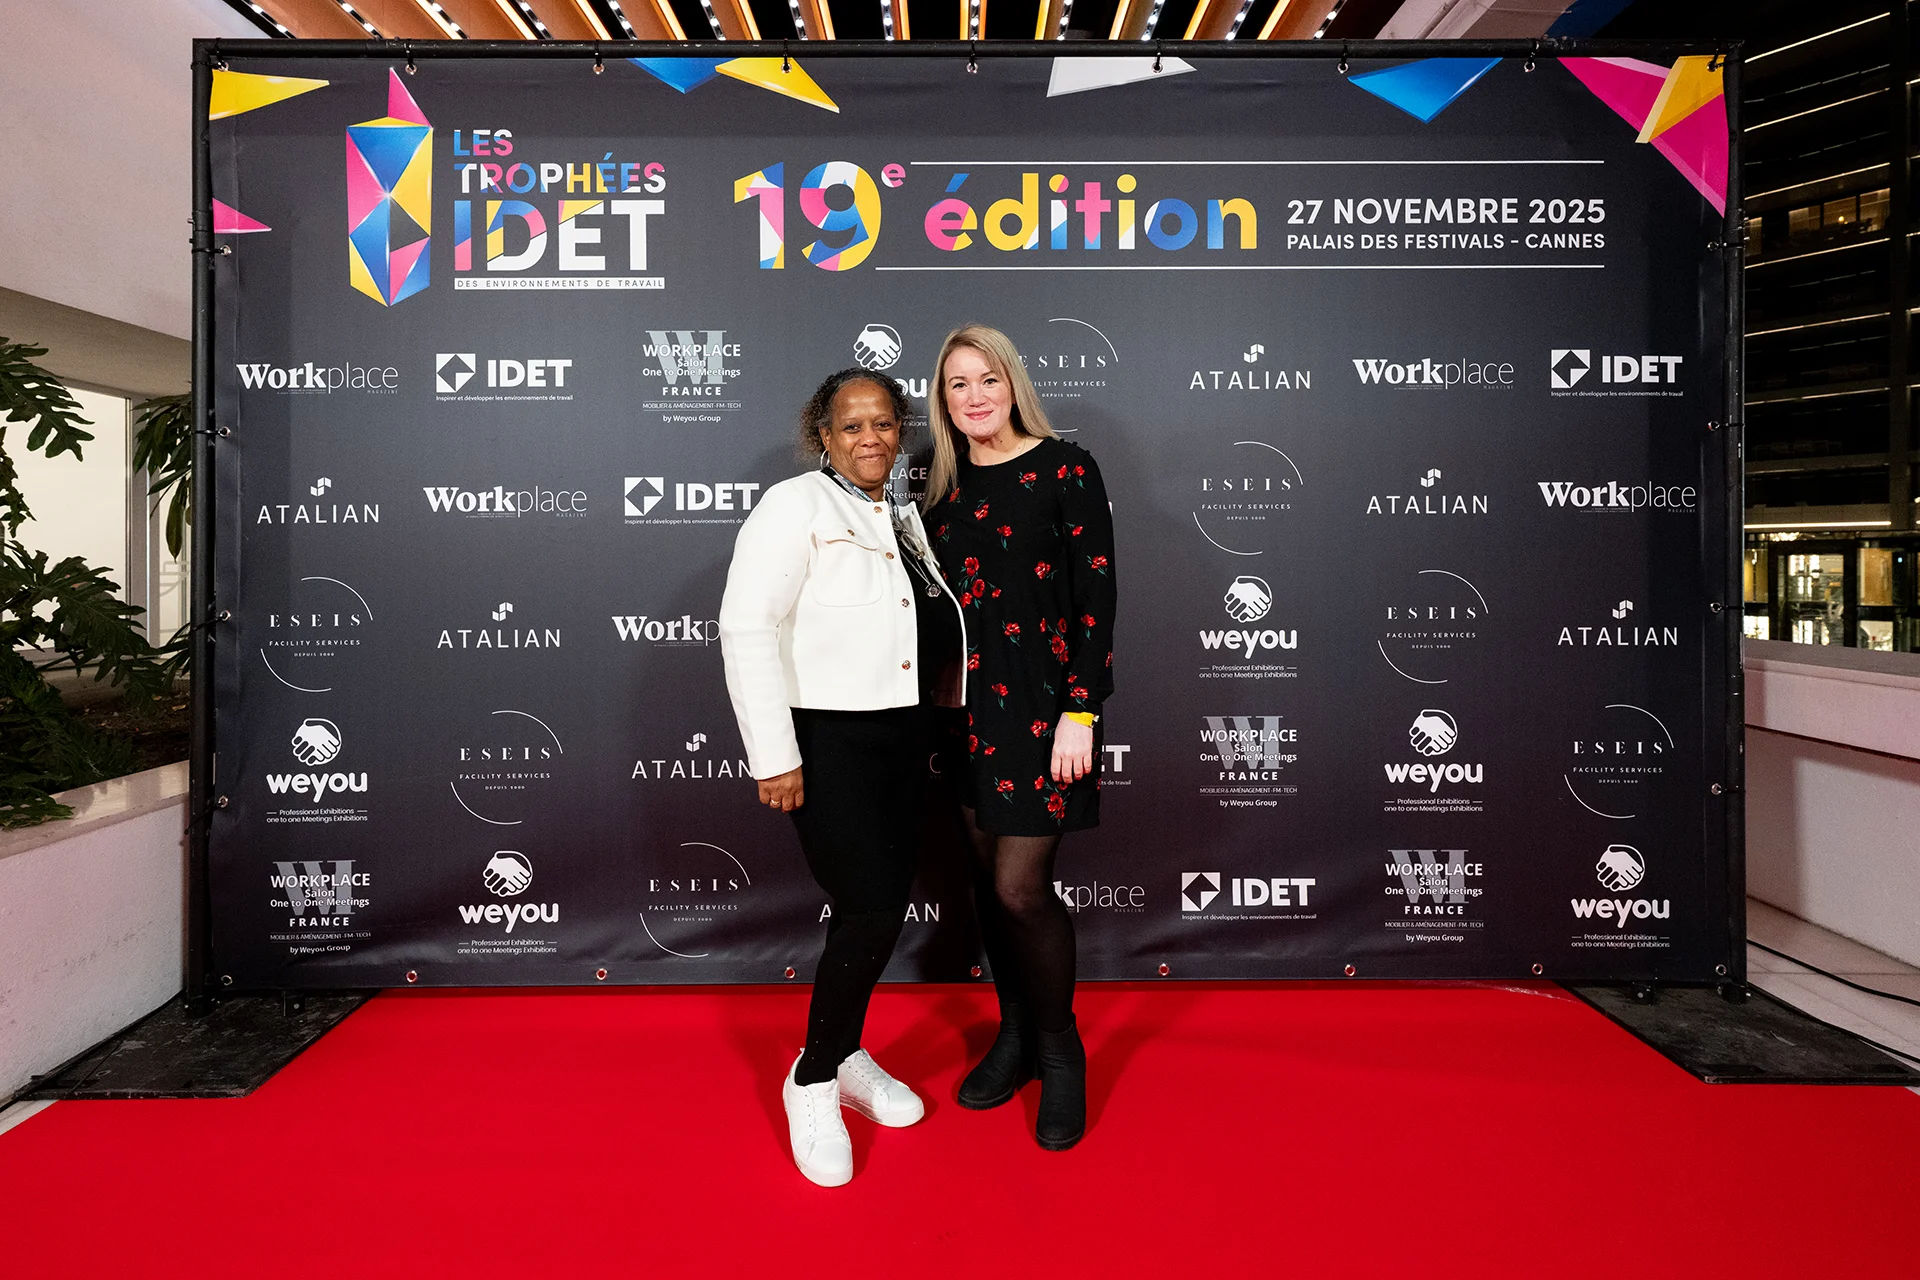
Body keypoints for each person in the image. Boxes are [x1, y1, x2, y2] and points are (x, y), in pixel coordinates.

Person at [718, 368, 967, 1188]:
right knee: (867, 909)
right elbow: (746, 627)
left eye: (884, 423)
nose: (871, 438)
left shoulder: (898, 514)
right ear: (822, 435)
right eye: (852, 425)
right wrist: (775, 755)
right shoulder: (794, 506)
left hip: (901, 741)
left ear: (901, 433)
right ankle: (814, 1078)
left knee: (880, 906)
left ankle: (849, 1052)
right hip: (829, 744)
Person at [925, 325, 1117, 1152]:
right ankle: (1014, 1034)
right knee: (983, 882)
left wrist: (1083, 710)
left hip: (1045, 710)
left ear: (1013, 385)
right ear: (943, 401)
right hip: (965, 714)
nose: (975, 396)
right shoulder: (940, 493)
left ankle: (1059, 1049)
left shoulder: (1067, 468)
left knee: (1019, 890)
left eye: (988, 379)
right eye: (957, 383)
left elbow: (1097, 598)